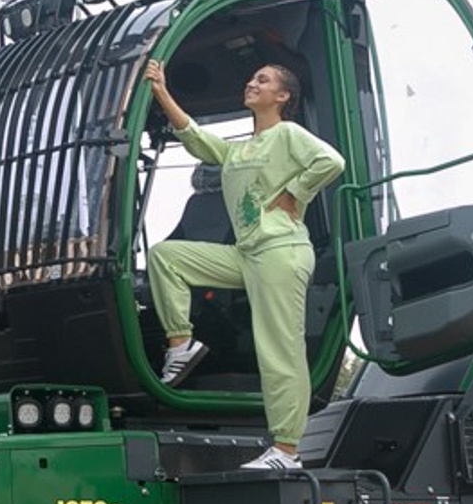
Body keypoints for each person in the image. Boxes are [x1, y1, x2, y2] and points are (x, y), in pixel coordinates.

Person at [143, 57, 344, 473]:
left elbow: (331, 162)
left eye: (263, 80)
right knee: (167, 256)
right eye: (252, 78)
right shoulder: (237, 151)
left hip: (280, 252)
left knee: (279, 350)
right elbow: (195, 137)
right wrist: (161, 91)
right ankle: (181, 345)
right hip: (247, 254)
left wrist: (294, 191)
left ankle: (287, 451)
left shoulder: (287, 133)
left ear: (282, 96)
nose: (252, 83)